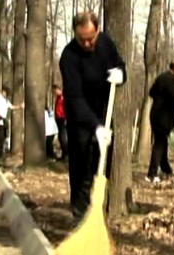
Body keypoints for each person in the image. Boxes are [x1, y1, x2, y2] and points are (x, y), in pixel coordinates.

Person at [59, 11, 126, 220]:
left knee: (101, 167)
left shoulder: (105, 43)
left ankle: (98, 217)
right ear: (75, 35)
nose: (87, 44)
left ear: (97, 30)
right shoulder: (69, 57)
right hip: (80, 120)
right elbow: (75, 98)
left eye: (91, 38)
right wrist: (94, 126)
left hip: (103, 112)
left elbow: (119, 65)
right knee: (82, 171)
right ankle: (80, 219)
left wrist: (121, 74)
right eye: (82, 40)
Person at [146, 61, 174, 184]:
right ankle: (151, 174)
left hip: (154, 114)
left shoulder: (161, 77)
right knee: (159, 144)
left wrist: (159, 98)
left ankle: (166, 169)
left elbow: (151, 92)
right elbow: (172, 99)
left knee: (162, 143)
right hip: (163, 117)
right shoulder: (171, 80)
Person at [0, 85, 24, 163]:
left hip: (3, 121)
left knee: (2, 139)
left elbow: (11, 107)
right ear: (3, 91)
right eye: (6, 93)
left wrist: (20, 106)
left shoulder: (6, 100)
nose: (6, 95)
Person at [53, 84, 68, 161]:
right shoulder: (58, 98)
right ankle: (64, 154)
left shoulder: (64, 98)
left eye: (55, 91)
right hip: (59, 119)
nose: (55, 92)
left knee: (63, 138)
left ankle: (66, 155)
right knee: (60, 137)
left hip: (63, 119)